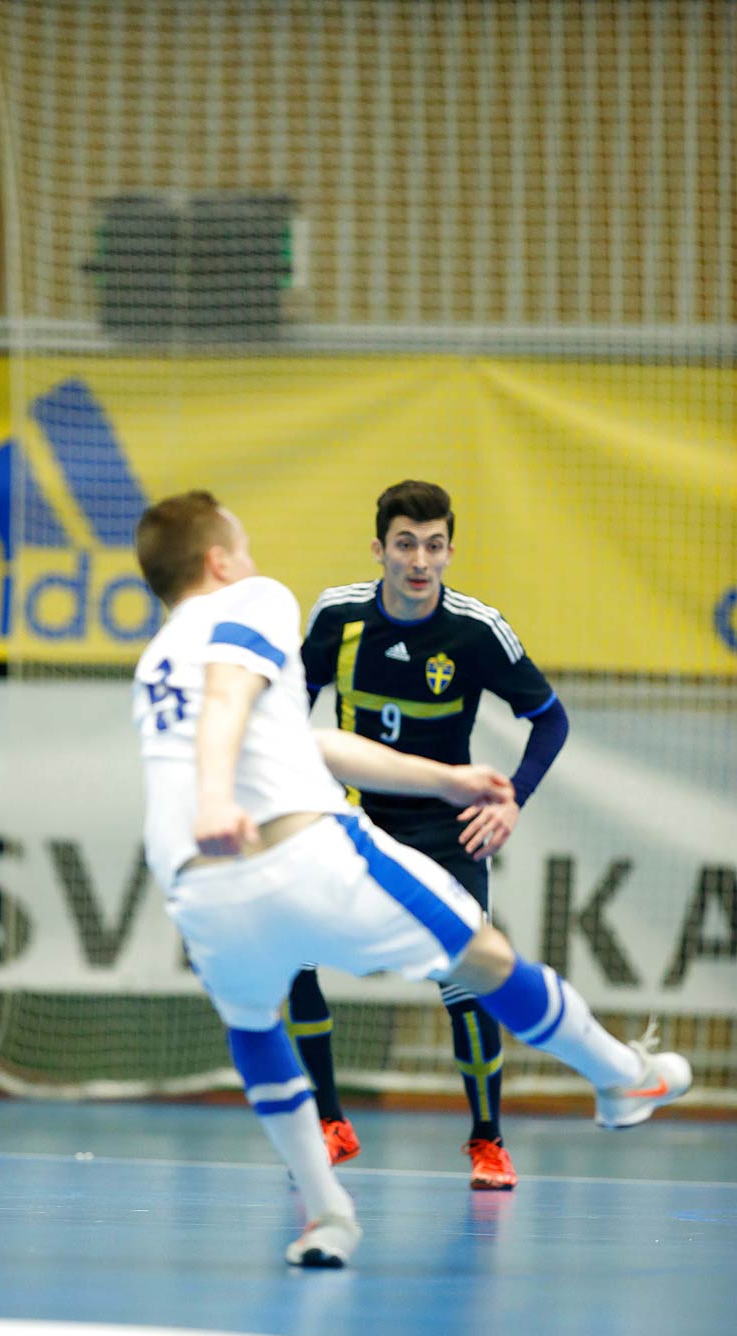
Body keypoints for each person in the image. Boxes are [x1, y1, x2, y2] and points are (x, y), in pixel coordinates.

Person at [132, 490, 691, 1270]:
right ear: (218, 562)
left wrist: (444, 780)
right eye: (246, 548)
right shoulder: (254, 600)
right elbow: (231, 695)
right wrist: (223, 797)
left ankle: (327, 1216)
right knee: (485, 959)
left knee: (256, 1035)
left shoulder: (156, 661)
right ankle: (622, 1076)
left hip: (200, 895)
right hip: (303, 854)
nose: (256, 563)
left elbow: (309, 743)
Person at [291, 479, 569, 1189]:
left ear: (450, 550)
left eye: (435, 545)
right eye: (406, 544)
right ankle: (329, 1124)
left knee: (468, 980)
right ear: (379, 548)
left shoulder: (476, 631)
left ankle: (488, 1141)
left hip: (444, 832)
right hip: (353, 822)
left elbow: (551, 720)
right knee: (291, 957)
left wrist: (511, 802)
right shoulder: (338, 617)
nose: (420, 560)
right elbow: (290, 707)